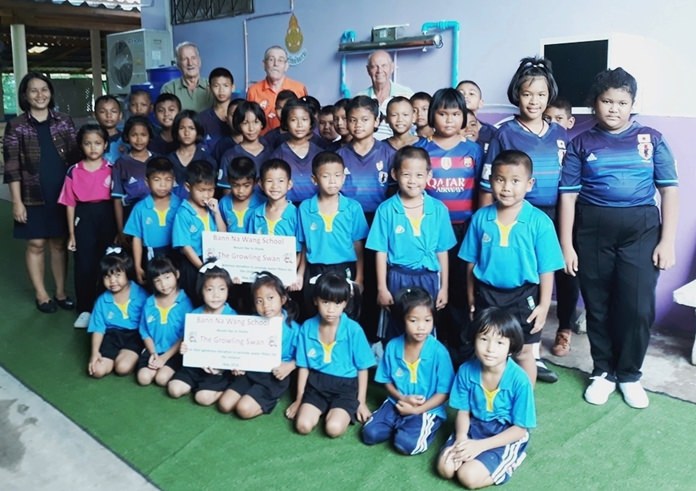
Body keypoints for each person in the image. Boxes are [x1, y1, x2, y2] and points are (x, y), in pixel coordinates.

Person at [559, 68, 679, 409]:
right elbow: (568, 196)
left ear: (632, 104)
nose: (614, 108)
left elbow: (669, 191)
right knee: (597, 304)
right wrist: (566, 245)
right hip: (592, 229)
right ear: (594, 104)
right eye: (607, 101)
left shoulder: (652, 139)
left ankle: (629, 374)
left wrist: (667, 241)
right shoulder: (580, 143)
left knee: (637, 307)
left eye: (622, 102)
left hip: (641, 230)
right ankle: (603, 372)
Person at [480, 57, 571, 384]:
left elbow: (569, 184)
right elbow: (487, 184)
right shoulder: (504, 133)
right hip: (513, 218)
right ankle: (508, 351)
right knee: (520, 283)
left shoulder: (560, 134)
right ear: (517, 95)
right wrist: (486, 222)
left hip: (550, 218)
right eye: (527, 94)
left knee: (545, 280)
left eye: (541, 94)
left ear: (550, 96)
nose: (534, 101)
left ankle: (533, 353)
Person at [459, 150, 564, 384]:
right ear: (490, 181)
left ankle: (524, 401)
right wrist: (472, 299)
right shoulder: (480, 219)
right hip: (487, 295)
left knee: (524, 352)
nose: (506, 187)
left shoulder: (540, 222)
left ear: (529, 184)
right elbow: (470, 264)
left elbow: (547, 269)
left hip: (523, 297)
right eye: (500, 179)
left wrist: (544, 305)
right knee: (488, 351)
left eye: (515, 181)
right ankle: (489, 398)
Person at [414, 88, 484, 358]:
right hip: (429, 231)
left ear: (464, 116)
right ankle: (432, 345)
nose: (449, 120)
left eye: (456, 114)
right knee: (431, 286)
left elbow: (482, 192)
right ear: (433, 115)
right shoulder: (421, 150)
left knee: (459, 288)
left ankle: (460, 350)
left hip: (464, 230)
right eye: (443, 114)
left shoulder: (474, 151)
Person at [3, 72, 80, 313]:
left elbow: (76, 159)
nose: (40, 95)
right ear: (25, 95)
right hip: (31, 195)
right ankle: (41, 294)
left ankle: (60, 292)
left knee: (59, 242)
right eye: (33, 90)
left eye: (44, 89)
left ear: (51, 93)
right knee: (36, 243)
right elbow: (12, 167)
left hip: (62, 193)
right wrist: (17, 202)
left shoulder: (64, 121)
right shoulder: (16, 126)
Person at [437, 307, 535, 488]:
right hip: (474, 425)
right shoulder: (466, 370)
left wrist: (480, 446)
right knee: (446, 469)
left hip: (505, 433)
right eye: (483, 339)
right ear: (474, 339)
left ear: (511, 347)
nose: (490, 349)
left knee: (468, 477)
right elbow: (463, 412)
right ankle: (473, 453)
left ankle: (512, 461)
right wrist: (461, 438)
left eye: (500, 342)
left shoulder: (520, 380)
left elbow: (520, 429)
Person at [366, 146, 456, 341]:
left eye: (419, 175)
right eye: (406, 174)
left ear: (429, 176)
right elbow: (380, 251)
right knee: (395, 330)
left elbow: (442, 252)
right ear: (395, 174)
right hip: (397, 278)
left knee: (424, 331)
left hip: (429, 279)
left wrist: (444, 287)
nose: (412, 181)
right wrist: (382, 288)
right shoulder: (386, 209)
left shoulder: (439, 209)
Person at [362, 287, 454, 455]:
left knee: (406, 445)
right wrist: (402, 398)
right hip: (396, 402)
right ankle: (400, 423)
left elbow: (444, 393)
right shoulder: (392, 347)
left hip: (427, 409)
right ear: (403, 320)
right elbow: (386, 381)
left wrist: (416, 410)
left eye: (427, 320)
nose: (421, 327)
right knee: (370, 434)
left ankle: (415, 426)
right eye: (413, 320)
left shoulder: (439, 352)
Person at [290, 272, 375, 437]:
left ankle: (336, 412)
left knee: (333, 429)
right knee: (303, 425)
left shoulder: (353, 329)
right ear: (316, 300)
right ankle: (320, 409)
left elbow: (363, 368)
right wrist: (299, 399)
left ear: (345, 303)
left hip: (345, 387)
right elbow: (303, 366)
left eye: (337, 303)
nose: (331, 309)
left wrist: (361, 402)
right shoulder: (307, 327)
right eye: (325, 302)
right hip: (316, 385)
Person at [58, 124, 117, 329]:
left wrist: (118, 230)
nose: (93, 148)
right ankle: (85, 309)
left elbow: (117, 201)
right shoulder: (74, 171)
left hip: (107, 216)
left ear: (105, 145)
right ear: (81, 146)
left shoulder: (112, 169)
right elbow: (69, 203)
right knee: (84, 264)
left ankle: (105, 308)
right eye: (88, 143)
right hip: (83, 218)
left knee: (107, 262)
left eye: (98, 143)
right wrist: (71, 234)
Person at [297, 151, 369, 319]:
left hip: (345, 269)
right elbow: (304, 244)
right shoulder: (305, 208)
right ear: (314, 179)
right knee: (314, 315)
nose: (332, 181)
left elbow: (358, 245)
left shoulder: (353, 207)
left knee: (345, 315)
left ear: (343, 177)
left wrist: (359, 278)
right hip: (315, 269)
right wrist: (300, 274)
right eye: (325, 176)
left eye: (337, 175)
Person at [219, 271, 300, 418]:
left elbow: (303, 356)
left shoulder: (294, 328)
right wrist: (238, 363)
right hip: (252, 370)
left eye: (270, 298)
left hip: (274, 376)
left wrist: (290, 366)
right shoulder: (252, 322)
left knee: (243, 409)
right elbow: (242, 348)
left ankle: (271, 399)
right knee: (224, 404)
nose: (266, 305)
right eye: (259, 301)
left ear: (282, 299)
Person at [168, 260, 237, 406]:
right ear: (201, 290)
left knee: (202, 398)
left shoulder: (233, 318)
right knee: (174, 389)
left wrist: (220, 367)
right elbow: (190, 342)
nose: (216, 295)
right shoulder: (195, 315)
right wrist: (185, 348)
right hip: (195, 365)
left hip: (218, 370)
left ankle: (225, 391)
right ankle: (196, 385)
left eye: (221, 289)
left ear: (228, 290)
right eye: (210, 289)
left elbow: (234, 350)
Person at [87, 248, 147, 378]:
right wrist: (95, 352)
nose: (112, 281)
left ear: (127, 273)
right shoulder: (102, 300)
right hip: (111, 336)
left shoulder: (141, 295)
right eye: (107, 276)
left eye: (117, 275)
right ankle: (116, 357)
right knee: (97, 371)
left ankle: (129, 357)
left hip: (135, 335)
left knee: (122, 368)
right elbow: (98, 329)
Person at [172, 160, 226, 303]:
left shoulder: (211, 209)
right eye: (201, 190)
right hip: (193, 263)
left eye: (210, 190)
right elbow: (185, 247)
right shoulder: (183, 213)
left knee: (213, 299)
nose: (206, 195)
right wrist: (203, 268)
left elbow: (223, 235)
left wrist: (217, 213)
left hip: (213, 262)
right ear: (188, 187)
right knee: (195, 299)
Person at [124, 157, 182, 285]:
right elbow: (137, 238)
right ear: (147, 182)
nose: (163, 185)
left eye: (168, 180)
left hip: (176, 255)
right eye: (157, 180)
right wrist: (138, 266)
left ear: (174, 181)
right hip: (151, 256)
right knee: (154, 288)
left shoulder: (180, 205)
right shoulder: (140, 208)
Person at [248, 159, 303, 291]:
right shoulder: (256, 214)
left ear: (289, 184)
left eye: (280, 181)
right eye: (269, 181)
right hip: (261, 278)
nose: (275, 186)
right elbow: (250, 247)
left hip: (287, 279)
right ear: (261, 184)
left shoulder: (295, 214)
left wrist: (292, 274)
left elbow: (300, 250)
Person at [137, 256, 193, 386]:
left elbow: (185, 336)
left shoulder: (185, 302)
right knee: (143, 378)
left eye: (167, 277)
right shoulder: (149, 303)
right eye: (157, 280)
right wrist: (153, 353)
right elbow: (145, 332)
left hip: (174, 353)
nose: (163, 284)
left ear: (177, 274)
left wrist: (164, 357)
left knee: (161, 379)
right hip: (154, 350)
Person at [271, 98, 323, 203]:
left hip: (315, 209)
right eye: (293, 120)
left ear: (311, 122)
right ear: (286, 123)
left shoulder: (320, 154)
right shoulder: (278, 155)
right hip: (287, 209)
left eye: (304, 119)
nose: (300, 125)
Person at [111, 116, 154, 243]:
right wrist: (121, 230)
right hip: (131, 221)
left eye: (143, 135)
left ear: (149, 136)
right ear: (127, 137)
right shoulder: (121, 164)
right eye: (134, 135)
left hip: (157, 220)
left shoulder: (158, 160)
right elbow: (117, 200)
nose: (139, 139)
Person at [246, 45, 308, 133]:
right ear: (264, 64)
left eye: (280, 60)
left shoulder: (299, 89)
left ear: (286, 66)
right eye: (271, 59)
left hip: (292, 140)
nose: (275, 64)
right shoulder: (253, 91)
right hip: (263, 140)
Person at [357, 50, 414, 140]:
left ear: (392, 67)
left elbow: (415, 128)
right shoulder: (359, 98)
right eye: (374, 67)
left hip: (400, 146)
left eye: (384, 66)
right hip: (368, 147)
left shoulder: (406, 94)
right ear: (368, 70)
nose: (379, 70)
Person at [218, 101, 272, 187]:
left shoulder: (271, 152)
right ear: (238, 125)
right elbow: (227, 190)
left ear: (262, 124)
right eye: (245, 123)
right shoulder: (229, 156)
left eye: (256, 122)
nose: (251, 128)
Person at [169, 110, 217, 200]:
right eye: (182, 128)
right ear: (176, 132)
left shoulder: (207, 160)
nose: (186, 133)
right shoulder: (168, 160)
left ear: (198, 131)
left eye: (191, 128)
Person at [160, 41, 213, 112]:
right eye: (184, 59)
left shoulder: (213, 86)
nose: (190, 63)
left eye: (193, 58)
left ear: (199, 61)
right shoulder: (169, 89)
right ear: (178, 64)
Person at [219, 156, 264, 234]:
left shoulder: (263, 203)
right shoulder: (224, 203)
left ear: (255, 182)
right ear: (228, 181)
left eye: (246, 186)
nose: (240, 191)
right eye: (235, 185)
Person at [455, 80, 497, 155]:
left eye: (471, 93)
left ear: (481, 103)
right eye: (461, 94)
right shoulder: (448, 130)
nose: (465, 96)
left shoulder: (493, 133)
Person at [198, 67, 235, 151]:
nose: (221, 90)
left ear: (232, 87)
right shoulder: (202, 118)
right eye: (216, 86)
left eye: (225, 85)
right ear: (210, 88)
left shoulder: (241, 113)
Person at [94, 95, 126, 164]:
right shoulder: (91, 139)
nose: (109, 115)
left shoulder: (126, 139)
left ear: (120, 115)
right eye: (102, 111)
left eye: (113, 111)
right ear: (95, 115)